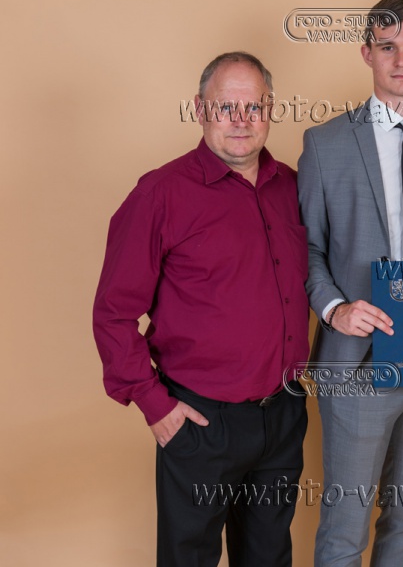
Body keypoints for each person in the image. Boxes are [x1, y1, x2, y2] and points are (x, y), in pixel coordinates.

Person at [92, 52, 309, 567]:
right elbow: (113, 313)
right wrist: (155, 406)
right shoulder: (160, 194)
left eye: (253, 107)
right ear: (199, 109)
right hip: (200, 422)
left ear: (271, 110)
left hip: (282, 416)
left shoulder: (293, 187)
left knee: (269, 557)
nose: (241, 120)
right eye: (225, 106)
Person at [297, 0, 403, 567]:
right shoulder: (326, 143)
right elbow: (306, 248)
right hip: (357, 360)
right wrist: (334, 308)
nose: (401, 60)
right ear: (367, 53)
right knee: (345, 528)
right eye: (387, 47)